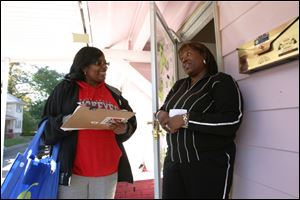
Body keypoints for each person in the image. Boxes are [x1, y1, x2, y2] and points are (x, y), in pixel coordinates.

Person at [41, 46, 137, 199]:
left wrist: (124, 128)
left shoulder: (114, 93)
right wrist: (68, 121)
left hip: (108, 173)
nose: (104, 67)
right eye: (98, 63)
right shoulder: (65, 89)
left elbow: (131, 122)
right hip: (73, 174)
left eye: (105, 63)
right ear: (84, 67)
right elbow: (44, 127)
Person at [156, 41, 243, 199]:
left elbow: (231, 120)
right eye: (181, 58)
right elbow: (163, 108)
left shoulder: (220, 81)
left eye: (188, 54)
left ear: (204, 55)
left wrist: (185, 119)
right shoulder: (180, 85)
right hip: (174, 162)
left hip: (207, 165)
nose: (184, 60)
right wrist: (161, 116)